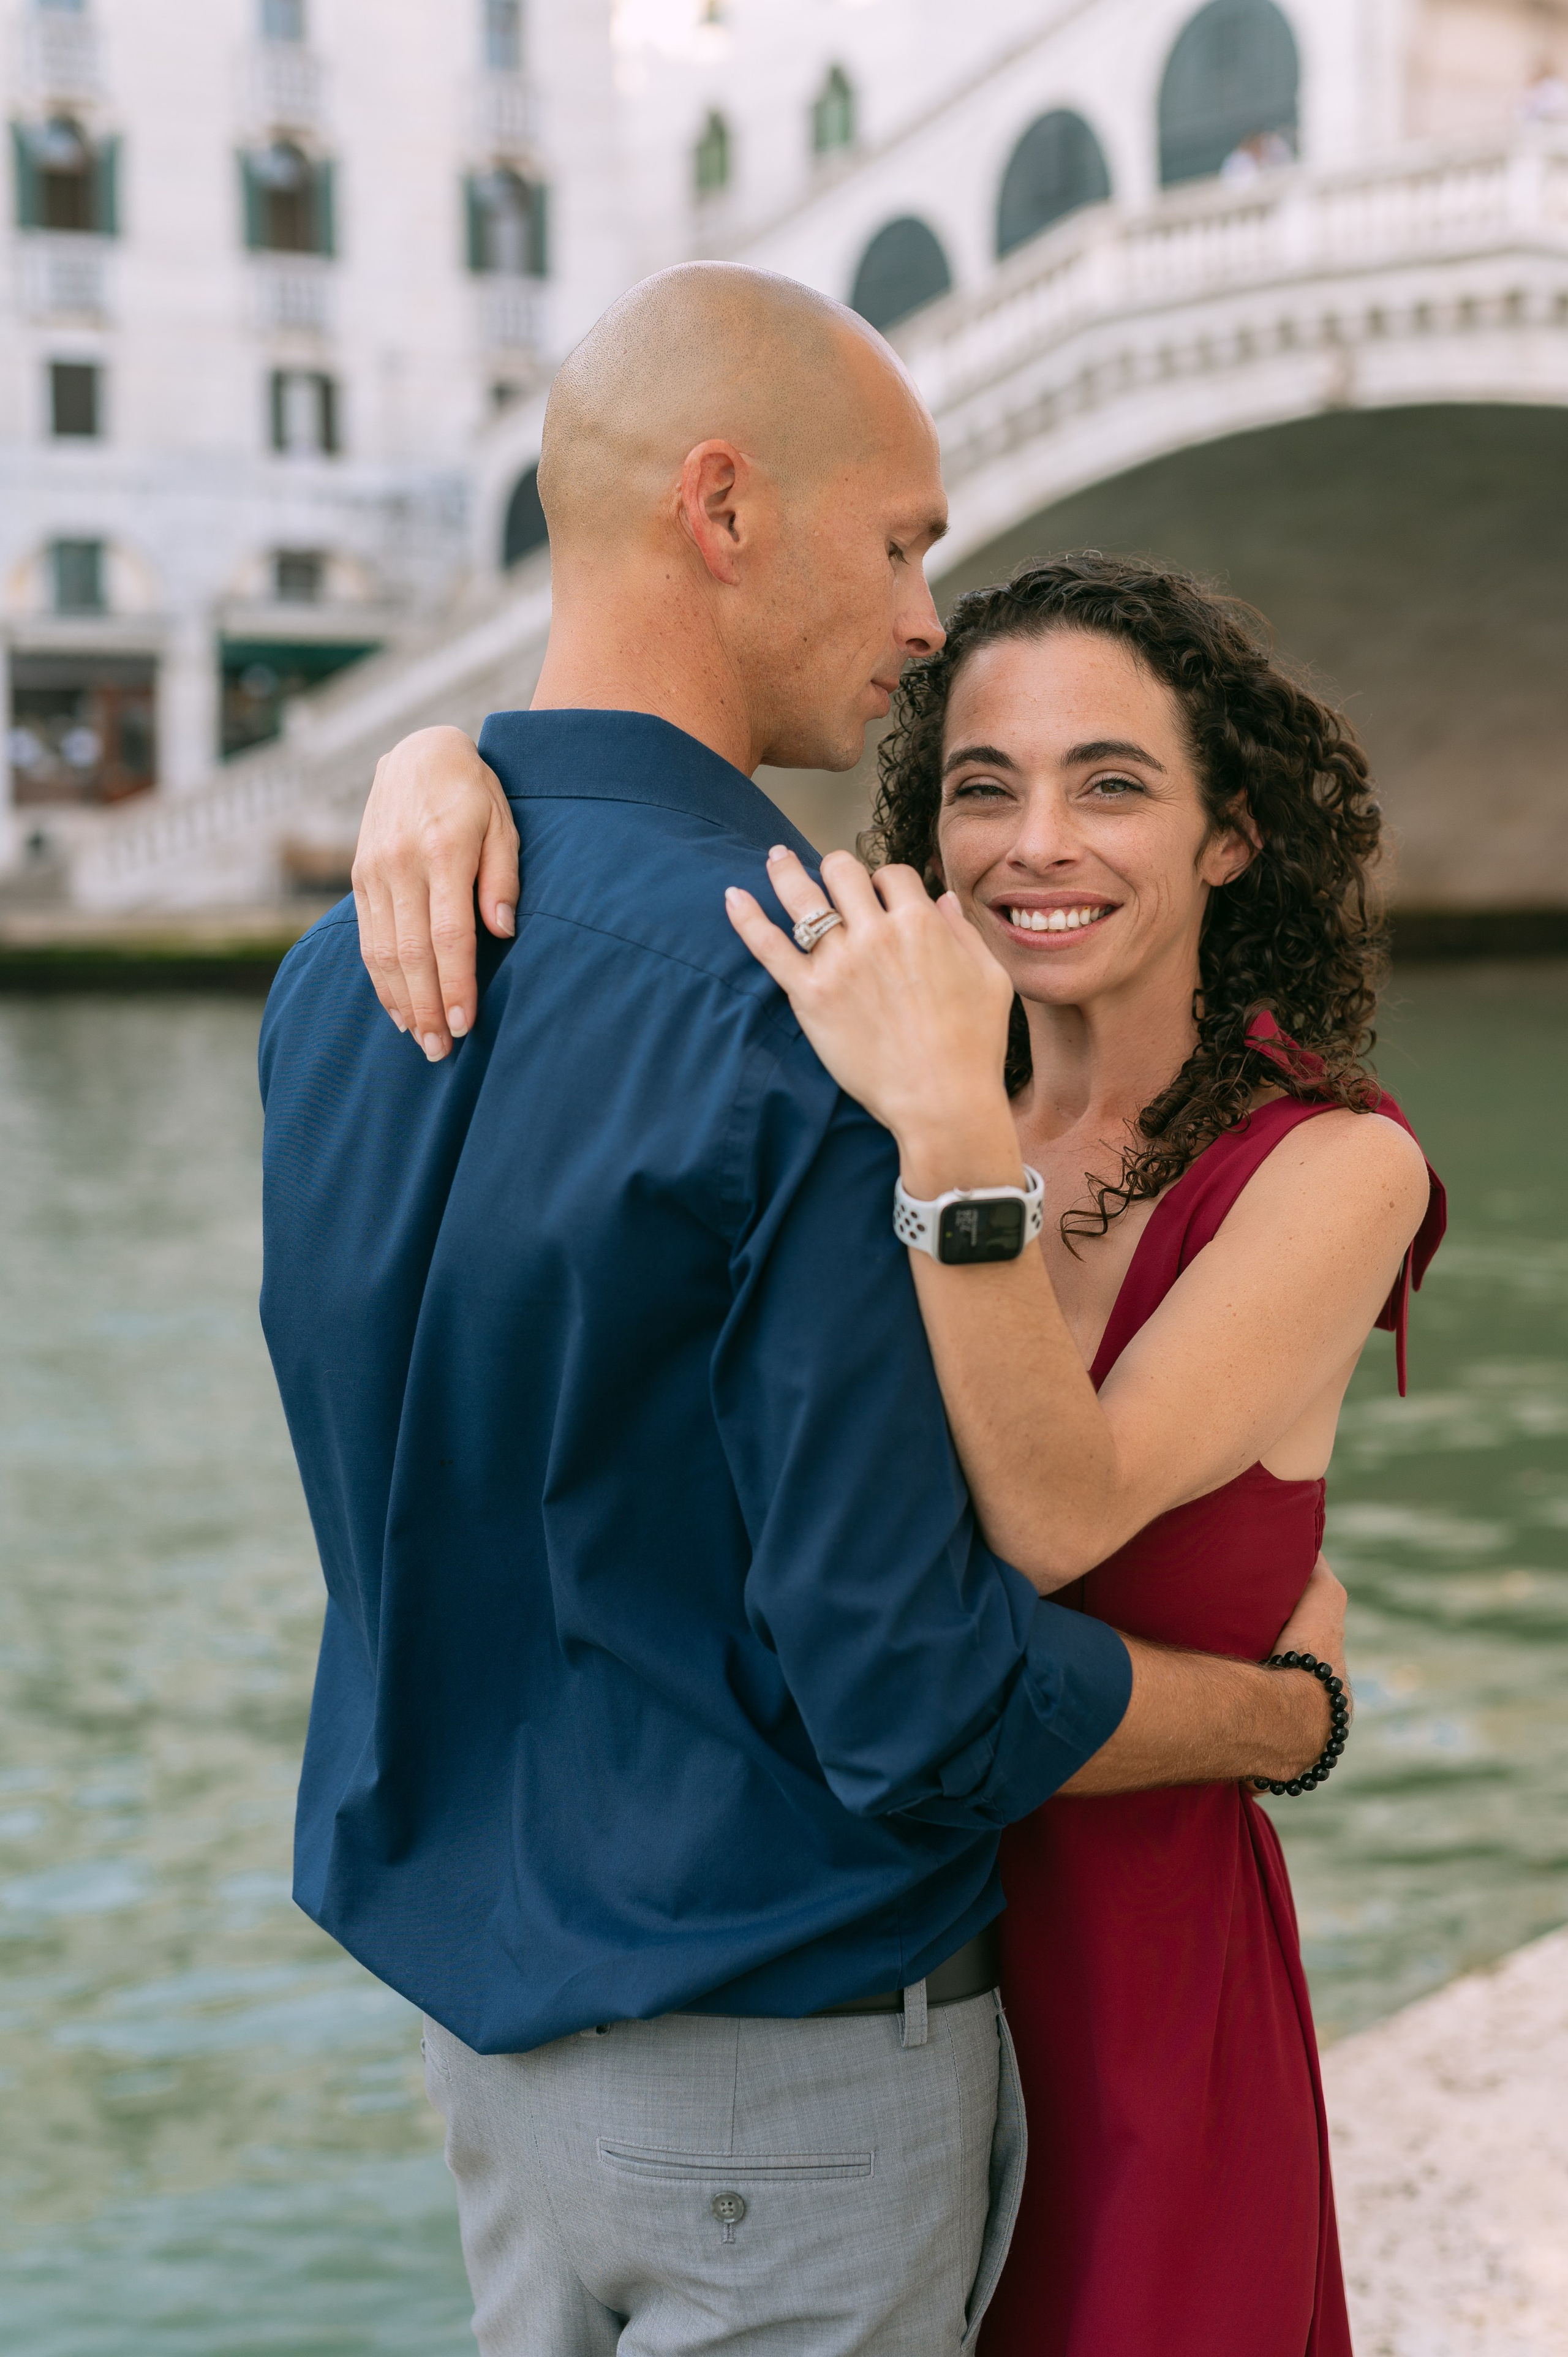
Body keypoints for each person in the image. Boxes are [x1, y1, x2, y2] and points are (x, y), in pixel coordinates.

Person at [265, 265, 1347, 2357]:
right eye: (904, 544)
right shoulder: (824, 1008)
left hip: (488, 2054)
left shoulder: (343, 975)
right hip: (788, 2068)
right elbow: (914, 1693)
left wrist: (444, 755)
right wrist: (1284, 1717)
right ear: (724, 508)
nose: (926, 617)